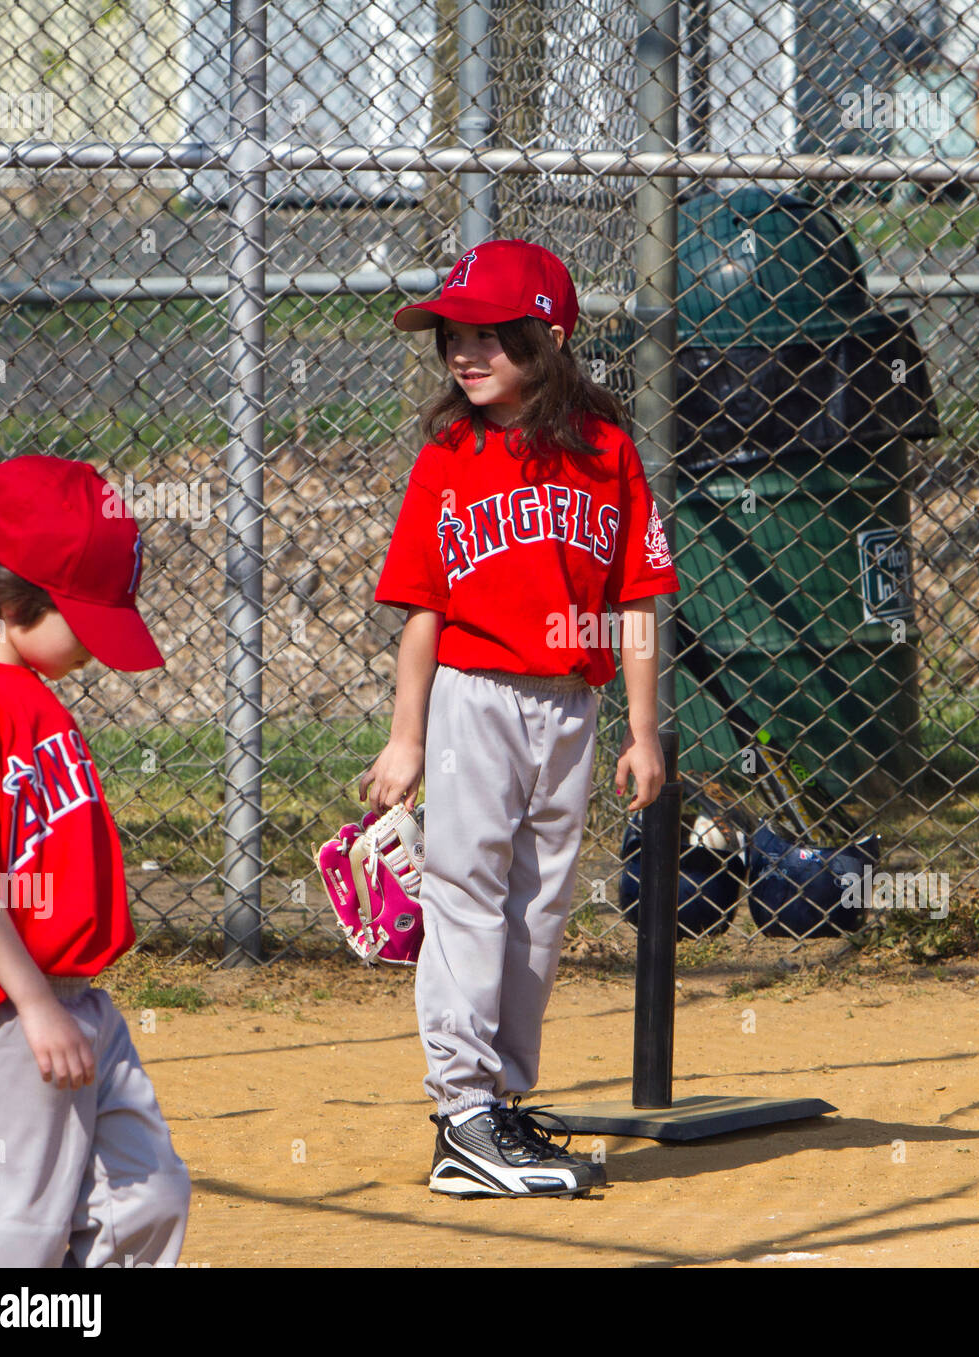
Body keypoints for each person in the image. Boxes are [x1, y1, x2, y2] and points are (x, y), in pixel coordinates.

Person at [360, 239, 681, 1198]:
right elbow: (423, 609)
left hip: (573, 706)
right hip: (476, 695)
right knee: (465, 891)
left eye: (487, 335)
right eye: (452, 336)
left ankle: (499, 1102)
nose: (463, 352)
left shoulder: (608, 453)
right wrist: (407, 735)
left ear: (545, 339)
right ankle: (460, 1112)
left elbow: (635, 602)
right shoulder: (449, 453)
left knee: (539, 906)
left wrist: (643, 726)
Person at [0, 455, 190, 1266]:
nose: (94, 642)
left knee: (147, 1193)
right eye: (82, 616)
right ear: (9, 600)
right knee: (11, 1226)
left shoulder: (33, 696)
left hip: (74, 998)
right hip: (4, 1006)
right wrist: (32, 1004)